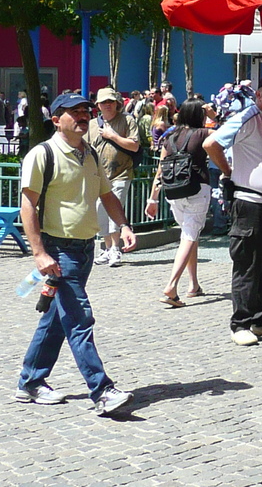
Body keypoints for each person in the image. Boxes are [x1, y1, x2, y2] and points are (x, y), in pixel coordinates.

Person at [13, 91, 135, 416]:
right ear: (56, 119)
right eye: (74, 112)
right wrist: (39, 253)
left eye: (85, 111)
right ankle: (103, 390)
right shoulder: (42, 155)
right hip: (58, 250)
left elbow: (107, 194)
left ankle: (30, 382)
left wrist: (123, 225)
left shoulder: (91, 154)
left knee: (56, 319)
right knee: (80, 318)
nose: (83, 116)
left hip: (85, 248)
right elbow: (28, 206)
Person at [204, 71, 262, 347]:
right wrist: (228, 171)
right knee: (248, 267)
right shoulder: (248, 117)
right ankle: (240, 323)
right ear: (259, 94)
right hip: (250, 205)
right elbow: (211, 143)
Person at [146, 98, 212, 306]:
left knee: (189, 235)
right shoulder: (202, 134)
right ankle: (171, 287)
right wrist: (214, 117)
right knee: (190, 235)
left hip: (173, 191)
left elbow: (161, 169)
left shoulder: (170, 137)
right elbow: (228, 135)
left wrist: (152, 198)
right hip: (196, 188)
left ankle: (193, 284)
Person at [88, 88, 141, 268]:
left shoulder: (127, 120)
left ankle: (115, 248)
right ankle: (107, 247)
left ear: (117, 103)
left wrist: (113, 136)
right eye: (103, 102)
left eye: (110, 101)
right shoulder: (92, 125)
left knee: (115, 208)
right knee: (100, 211)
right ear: (98, 106)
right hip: (99, 177)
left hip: (121, 173)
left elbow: (134, 145)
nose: (107, 105)